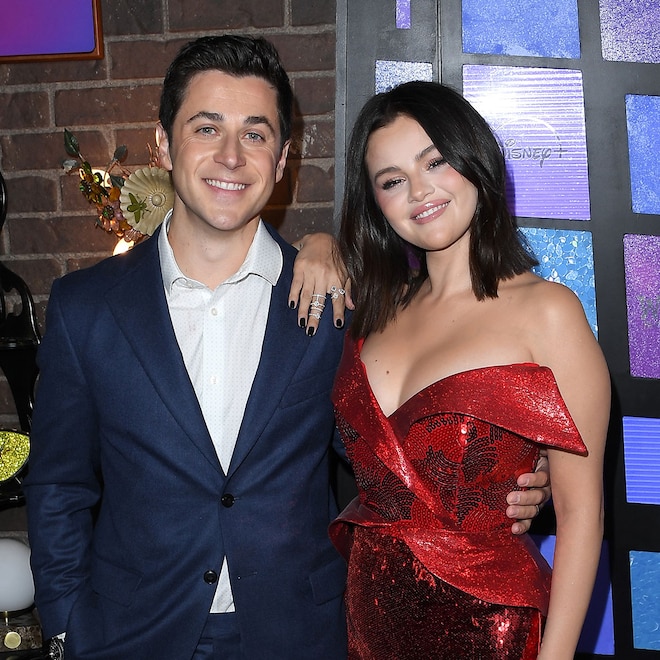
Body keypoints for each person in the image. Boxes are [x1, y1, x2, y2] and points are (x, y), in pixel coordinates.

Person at [24, 37, 548, 660]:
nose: (230, 155)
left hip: (299, 634)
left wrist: (507, 479)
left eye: (255, 133)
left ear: (282, 159)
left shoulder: (338, 305)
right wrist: (66, 627)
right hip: (131, 635)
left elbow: (390, 457)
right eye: (206, 128)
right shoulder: (85, 307)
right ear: (162, 143)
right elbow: (58, 485)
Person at [329, 81, 610, 660]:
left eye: (435, 162)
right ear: (375, 202)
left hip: (488, 629)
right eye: (391, 180)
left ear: (474, 159)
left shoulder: (547, 313)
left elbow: (583, 515)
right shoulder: (372, 313)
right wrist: (315, 244)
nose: (419, 191)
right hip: (369, 624)